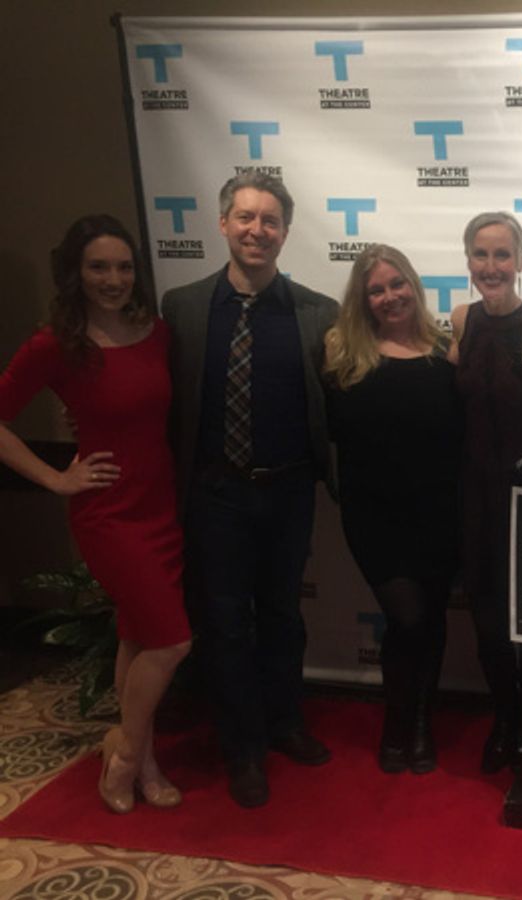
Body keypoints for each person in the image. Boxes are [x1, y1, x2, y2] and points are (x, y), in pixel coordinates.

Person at [0, 215, 192, 813]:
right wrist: (58, 478)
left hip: (161, 504)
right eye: (98, 267)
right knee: (172, 641)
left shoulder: (154, 331)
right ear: (75, 273)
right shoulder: (55, 344)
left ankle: (144, 759)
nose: (113, 279)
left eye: (123, 267)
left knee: (138, 637)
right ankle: (127, 750)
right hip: (108, 513)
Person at [161, 173, 339, 808]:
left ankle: (285, 722)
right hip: (214, 496)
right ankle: (242, 748)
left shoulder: (319, 312)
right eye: (244, 217)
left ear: (285, 232)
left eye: (269, 220)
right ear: (222, 224)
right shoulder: (180, 306)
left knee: (285, 618)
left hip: (289, 491)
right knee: (227, 626)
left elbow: (349, 400)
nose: (256, 230)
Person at [324, 244, 461, 775]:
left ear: (414, 286)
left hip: (440, 513)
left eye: (396, 284)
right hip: (374, 516)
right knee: (407, 616)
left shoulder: (448, 352)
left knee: (430, 620)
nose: (389, 297)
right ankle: (397, 722)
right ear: (364, 299)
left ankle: (419, 723)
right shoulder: (342, 356)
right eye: (377, 289)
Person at [448, 211, 522, 773]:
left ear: (520, 260)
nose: (492, 266)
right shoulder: (459, 319)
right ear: (468, 260)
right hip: (474, 488)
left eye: (502, 255)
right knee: (486, 612)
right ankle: (505, 715)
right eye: (481, 255)